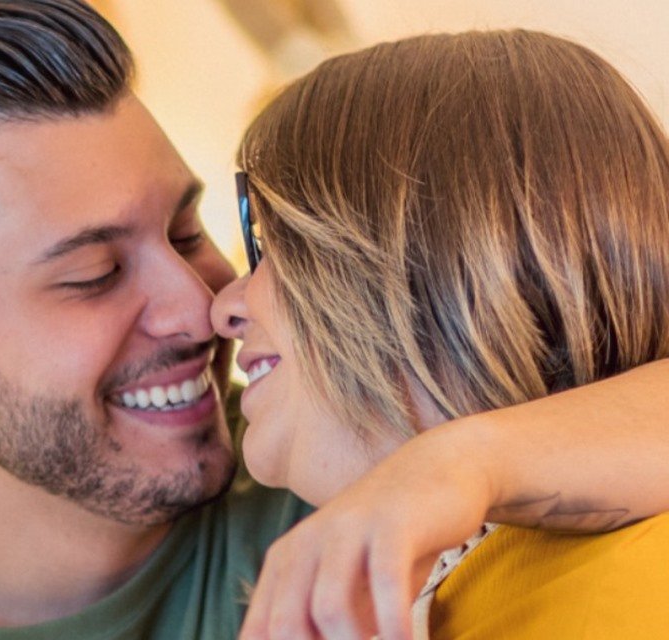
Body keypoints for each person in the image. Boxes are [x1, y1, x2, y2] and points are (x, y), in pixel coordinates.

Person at [0, 3, 666, 637]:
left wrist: (453, 465)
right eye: (91, 273)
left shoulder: (338, 431)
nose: (199, 301)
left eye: (186, 226)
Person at [212, 29, 669, 640]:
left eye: (268, 244)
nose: (222, 307)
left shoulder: (615, 592)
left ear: (434, 269)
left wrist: (459, 461)